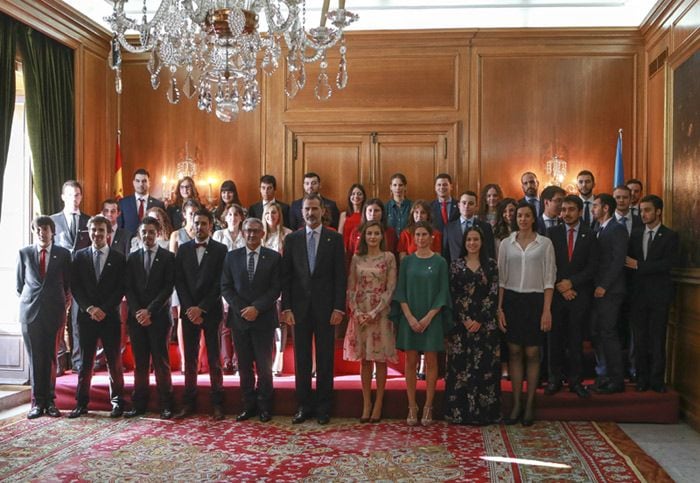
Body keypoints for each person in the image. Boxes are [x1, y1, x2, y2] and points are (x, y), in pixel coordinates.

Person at [282, 193, 346, 425]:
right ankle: (303, 405)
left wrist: (339, 307)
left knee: (325, 358)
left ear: (323, 211)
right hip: (298, 309)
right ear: (302, 212)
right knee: (302, 359)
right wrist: (286, 307)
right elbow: (286, 277)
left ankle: (323, 407)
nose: (311, 213)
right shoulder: (293, 240)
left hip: (327, 309)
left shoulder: (334, 239)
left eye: (315, 209)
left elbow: (341, 276)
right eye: (307, 209)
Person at [497, 201, 555, 426]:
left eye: (527, 215)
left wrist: (546, 310)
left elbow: (549, 279)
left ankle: (530, 403)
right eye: (519, 215)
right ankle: (516, 403)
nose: (522, 219)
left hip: (535, 300)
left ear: (533, 218)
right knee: (513, 352)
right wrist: (499, 308)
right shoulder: (506, 243)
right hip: (512, 300)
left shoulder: (545, 243)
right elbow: (501, 279)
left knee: (532, 353)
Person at [221, 218, 282, 423]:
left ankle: (265, 406)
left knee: (264, 367)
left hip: (263, 319)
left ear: (263, 234)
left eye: (256, 231)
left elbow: (276, 288)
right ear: (242, 233)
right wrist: (242, 309)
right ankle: (248, 405)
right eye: (247, 231)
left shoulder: (273, 258)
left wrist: (257, 308)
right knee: (244, 366)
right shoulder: (232, 257)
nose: (251, 235)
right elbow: (226, 287)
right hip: (239, 320)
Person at [393, 221, 452, 426]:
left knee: (431, 362)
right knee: (409, 362)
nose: (420, 238)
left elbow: (443, 292)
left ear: (432, 237)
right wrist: (409, 317)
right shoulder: (407, 262)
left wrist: (428, 317)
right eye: (417, 235)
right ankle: (412, 405)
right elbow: (400, 291)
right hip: (409, 317)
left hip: (432, 319)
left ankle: (428, 405)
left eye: (424, 234)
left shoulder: (440, 262)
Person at [68, 215, 126, 418]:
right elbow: (75, 286)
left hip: (110, 318)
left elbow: (121, 288)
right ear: (89, 232)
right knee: (85, 362)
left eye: (101, 230)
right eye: (93, 230)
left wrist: (104, 309)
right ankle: (81, 403)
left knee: (114, 362)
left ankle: (118, 402)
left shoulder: (119, 258)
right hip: (87, 318)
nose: (97, 234)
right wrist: (90, 308)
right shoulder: (79, 256)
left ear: (108, 233)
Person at [173, 209, 228, 420]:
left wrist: (201, 308)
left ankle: (217, 403)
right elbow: (179, 280)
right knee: (190, 358)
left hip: (210, 311)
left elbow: (220, 283)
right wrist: (189, 308)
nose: (199, 227)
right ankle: (188, 402)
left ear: (210, 226)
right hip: (188, 311)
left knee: (214, 358)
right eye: (196, 223)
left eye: (203, 223)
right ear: (191, 224)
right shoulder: (184, 249)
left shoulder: (221, 250)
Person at [16, 216, 72, 419]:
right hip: (30, 314)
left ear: (52, 232)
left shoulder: (63, 254)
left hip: (54, 313)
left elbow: (67, 285)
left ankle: (50, 402)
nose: (42, 233)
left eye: (45, 229)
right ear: (34, 232)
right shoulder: (24, 253)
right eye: (38, 229)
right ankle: (36, 403)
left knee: (50, 358)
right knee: (34, 359)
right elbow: (19, 285)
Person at [343, 221, 397, 423]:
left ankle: (379, 403)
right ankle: (366, 403)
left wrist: (375, 311)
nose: (373, 237)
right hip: (360, 313)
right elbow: (350, 287)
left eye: (376, 233)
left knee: (380, 360)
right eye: (369, 233)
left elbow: (391, 288)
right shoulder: (357, 258)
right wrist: (356, 311)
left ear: (382, 236)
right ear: (364, 236)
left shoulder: (388, 257)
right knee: (364, 360)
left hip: (380, 313)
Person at [445, 226, 500, 425]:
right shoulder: (455, 265)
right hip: (461, 326)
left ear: (482, 242)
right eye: (469, 239)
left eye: (476, 239)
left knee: (483, 368)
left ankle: (484, 414)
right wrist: (466, 319)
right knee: (461, 369)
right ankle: (460, 413)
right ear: (464, 242)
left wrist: (479, 319)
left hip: (485, 325)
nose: (472, 243)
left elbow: (493, 294)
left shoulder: (491, 265)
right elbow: (453, 294)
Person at [545, 195, 597, 398]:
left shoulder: (590, 234)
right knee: (554, 340)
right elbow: (548, 263)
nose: (566, 213)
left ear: (580, 211)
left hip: (579, 295)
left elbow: (593, 266)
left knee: (576, 340)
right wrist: (562, 286)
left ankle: (576, 381)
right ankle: (554, 379)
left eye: (571, 209)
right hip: (556, 295)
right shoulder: (552, 233)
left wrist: (572, 283)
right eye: (564, 209)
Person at [625, 195, 679, 393]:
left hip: (659, 297)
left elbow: (667, 264)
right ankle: (641, 379)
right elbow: (627, 265)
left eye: (647, 210)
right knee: (639, 340)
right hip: (638, 297)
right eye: (641, 210)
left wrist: (640, 265)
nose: (643, 214)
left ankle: (657, 380)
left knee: (657, 339)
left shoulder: (671, 236)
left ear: (658, 211)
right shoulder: (636, 234)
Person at [123, 216, 175, 419]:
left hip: (159, 318)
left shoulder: (168, 257)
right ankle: (139, 403)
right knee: (141, 363)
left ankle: (166, 404)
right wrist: (139, 312)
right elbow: (128, 287)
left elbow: (167, 288)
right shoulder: (133, 257)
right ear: (139, 234)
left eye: (151, 232)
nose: (147, 236)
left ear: (158, 233)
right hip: (137, 319)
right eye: (144, 232)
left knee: (161, 362)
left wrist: (150, 311)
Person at [589, 193, 628, 394]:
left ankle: (616, 379)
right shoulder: (598, 228)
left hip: (611, 291)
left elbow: (617, 261)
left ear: (605, 208)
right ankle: (604, 375)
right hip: (598, 291)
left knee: (609, 334)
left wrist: (604, 285)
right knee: (598, 332)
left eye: (595, 206)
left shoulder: (617, 229)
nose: (592, 209)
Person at [50, 180, 90, 375]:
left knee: (78, 321)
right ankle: (58, 362)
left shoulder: (89, 221)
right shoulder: (53, 221)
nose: (74, 199)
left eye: (77, 195)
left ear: (81, 197)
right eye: (70, 195)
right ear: (63, 197)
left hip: (81, 279)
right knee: (58, 321)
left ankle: (77, 361)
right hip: (59, 279)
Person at [261, 202, 293, 376]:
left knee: (280, 323)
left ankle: (278, 361)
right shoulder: (259, 235)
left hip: (280, 283)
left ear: (279, 215)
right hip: (263, 286)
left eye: (274, 213)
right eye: (267, 214)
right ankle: (266, 359)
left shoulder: (288, 235)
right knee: (267, 323)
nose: (270, 216)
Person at [446, 191, 495, 262]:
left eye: (471, 203)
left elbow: (490, 253)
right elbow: (446, 254)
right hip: (456, 269)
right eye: (464, 203)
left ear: (476, 207)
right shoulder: (449, 228)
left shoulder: (486, 227)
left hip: (480, 269)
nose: (466, 206)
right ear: (459, 205)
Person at [118, 168, 165, 234]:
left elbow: (162, 228)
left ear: (149, 183)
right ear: (133, 183)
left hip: (151, 242)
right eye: (138, 181)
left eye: (144, 181)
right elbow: (120, 228)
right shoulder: (123, 203)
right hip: (128, 243)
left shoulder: (159, 204)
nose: (141, 184)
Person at [430, 173, 459, 255]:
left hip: (455, 247)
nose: (442, 187)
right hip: (436, 248)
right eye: (439, 185)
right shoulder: (429, 207)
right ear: (435, 188)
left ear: (451, 187)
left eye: (445, 185)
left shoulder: (460, 206)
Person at [339, 183, 366, 250]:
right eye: (353, 194)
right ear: (349, 196)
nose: (356, 196)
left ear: (364, 197)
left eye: (359, 194)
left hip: (361, 248)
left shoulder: (366, 214)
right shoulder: (344, 215)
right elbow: (339, 235)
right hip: (345, 248)